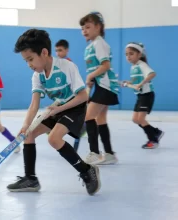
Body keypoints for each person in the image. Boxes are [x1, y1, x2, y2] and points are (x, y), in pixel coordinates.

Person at [6, 29, 101, 196]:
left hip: (75, 107)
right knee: (29, 134)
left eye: (30, 59)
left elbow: (83, 96)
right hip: (56, 108)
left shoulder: (66, 67)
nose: (29, 64)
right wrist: (25, 125)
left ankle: (87, 171)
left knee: (54, 138)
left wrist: (58, 109)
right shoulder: (37, 75)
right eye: (25, 61)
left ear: (44, 52)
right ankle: (31, 179)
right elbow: (34, 103)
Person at [80, 11, 119, 165]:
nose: (84, 31)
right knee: (100, 119)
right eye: (82, 28)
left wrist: (90, 77)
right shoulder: (91, 46)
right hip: (99, 85)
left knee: (88, 117)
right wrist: (91, 79)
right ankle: (109, 154)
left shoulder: (100, 43)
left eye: (88, 27)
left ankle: (94, 153)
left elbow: (105, 65)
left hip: (105, 85)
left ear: (98, 27)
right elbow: (96, 68)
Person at [123, 42, 164, 149]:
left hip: (147, 95)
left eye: (131, 54)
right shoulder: (134, 67)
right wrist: (129, 82)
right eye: (126, 54)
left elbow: (152, 74)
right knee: (135, 119)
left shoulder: (142, 64)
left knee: (141, 119)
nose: (128, 56)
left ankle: (153, 140)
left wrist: (141, 84)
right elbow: (136, 80)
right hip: (140, 96)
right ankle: (155, 132)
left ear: (139, 55)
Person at [54, 39, 87, 150]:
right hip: (63, 99)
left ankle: (80, 130)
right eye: (56, 51)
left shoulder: (69, 65)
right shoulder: (57, 65)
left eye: (60, 50)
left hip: (73, 99)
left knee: (71, 124)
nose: (58, 53)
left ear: (66, 50)